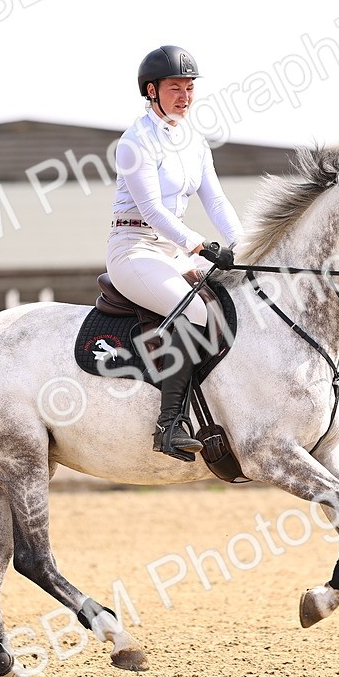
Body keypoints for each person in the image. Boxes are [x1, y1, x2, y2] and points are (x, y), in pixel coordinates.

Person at [108, 45, 245, 462]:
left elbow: (216, 201)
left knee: (236, 299)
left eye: (189, 88)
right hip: (135, 249)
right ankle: (169, 426)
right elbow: (152, 209)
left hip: (174, 251)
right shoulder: (134, 141)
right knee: (195, 312)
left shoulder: (195, 141)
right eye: (175, 88)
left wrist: (242, 244)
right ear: (151, 91)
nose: (185, 96)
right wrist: (200, 245)